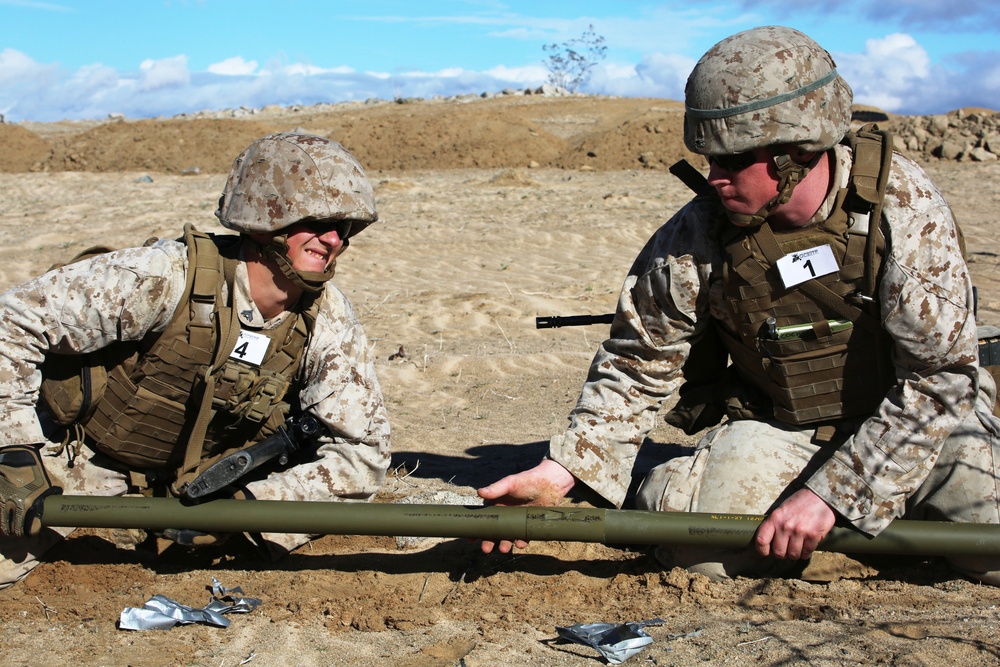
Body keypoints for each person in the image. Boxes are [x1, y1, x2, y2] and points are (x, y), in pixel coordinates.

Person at [479, 25, 1000, 584]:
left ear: (796, 153)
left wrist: (831, 497)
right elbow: (639, 361)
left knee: (988, 548)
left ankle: (861, 525)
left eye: (731, 161)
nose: (714, 179)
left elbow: (939, 379)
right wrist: (562, 471)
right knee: (699, 549)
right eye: (708, 160)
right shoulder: (698, 233)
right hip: (786, 432)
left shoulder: (902, 209)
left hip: (911, 424)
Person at [0, 132, 390, 587]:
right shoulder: (165, 276)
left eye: (343, 228)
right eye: (316, 222)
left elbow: (363, 453)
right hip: (82, 463)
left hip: (210, 494)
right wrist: (13, 450)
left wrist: (250, 509)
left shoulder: (328, 320)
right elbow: (14, 321)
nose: (331, 240)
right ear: (266, 219)